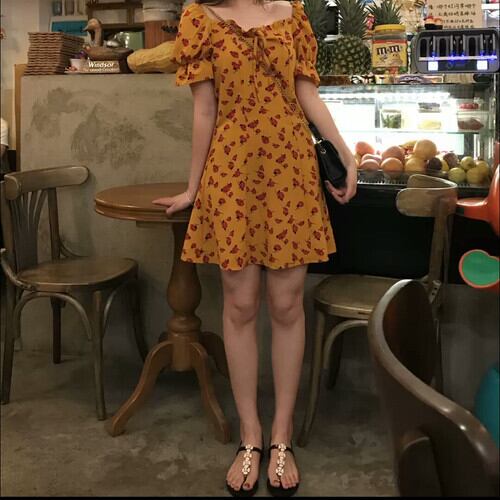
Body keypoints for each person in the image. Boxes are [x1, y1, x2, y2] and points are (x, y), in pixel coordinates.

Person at [153, 0, 357, 496]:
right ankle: (251, 435)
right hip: (231, 171)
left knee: (287, 305)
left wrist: (344, 151)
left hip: (291, 168)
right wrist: (193, 188)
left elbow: (305, 91)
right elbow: (205, 109)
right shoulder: (200, 18)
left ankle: (281, 434)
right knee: (240, 305)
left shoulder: (293, 14)